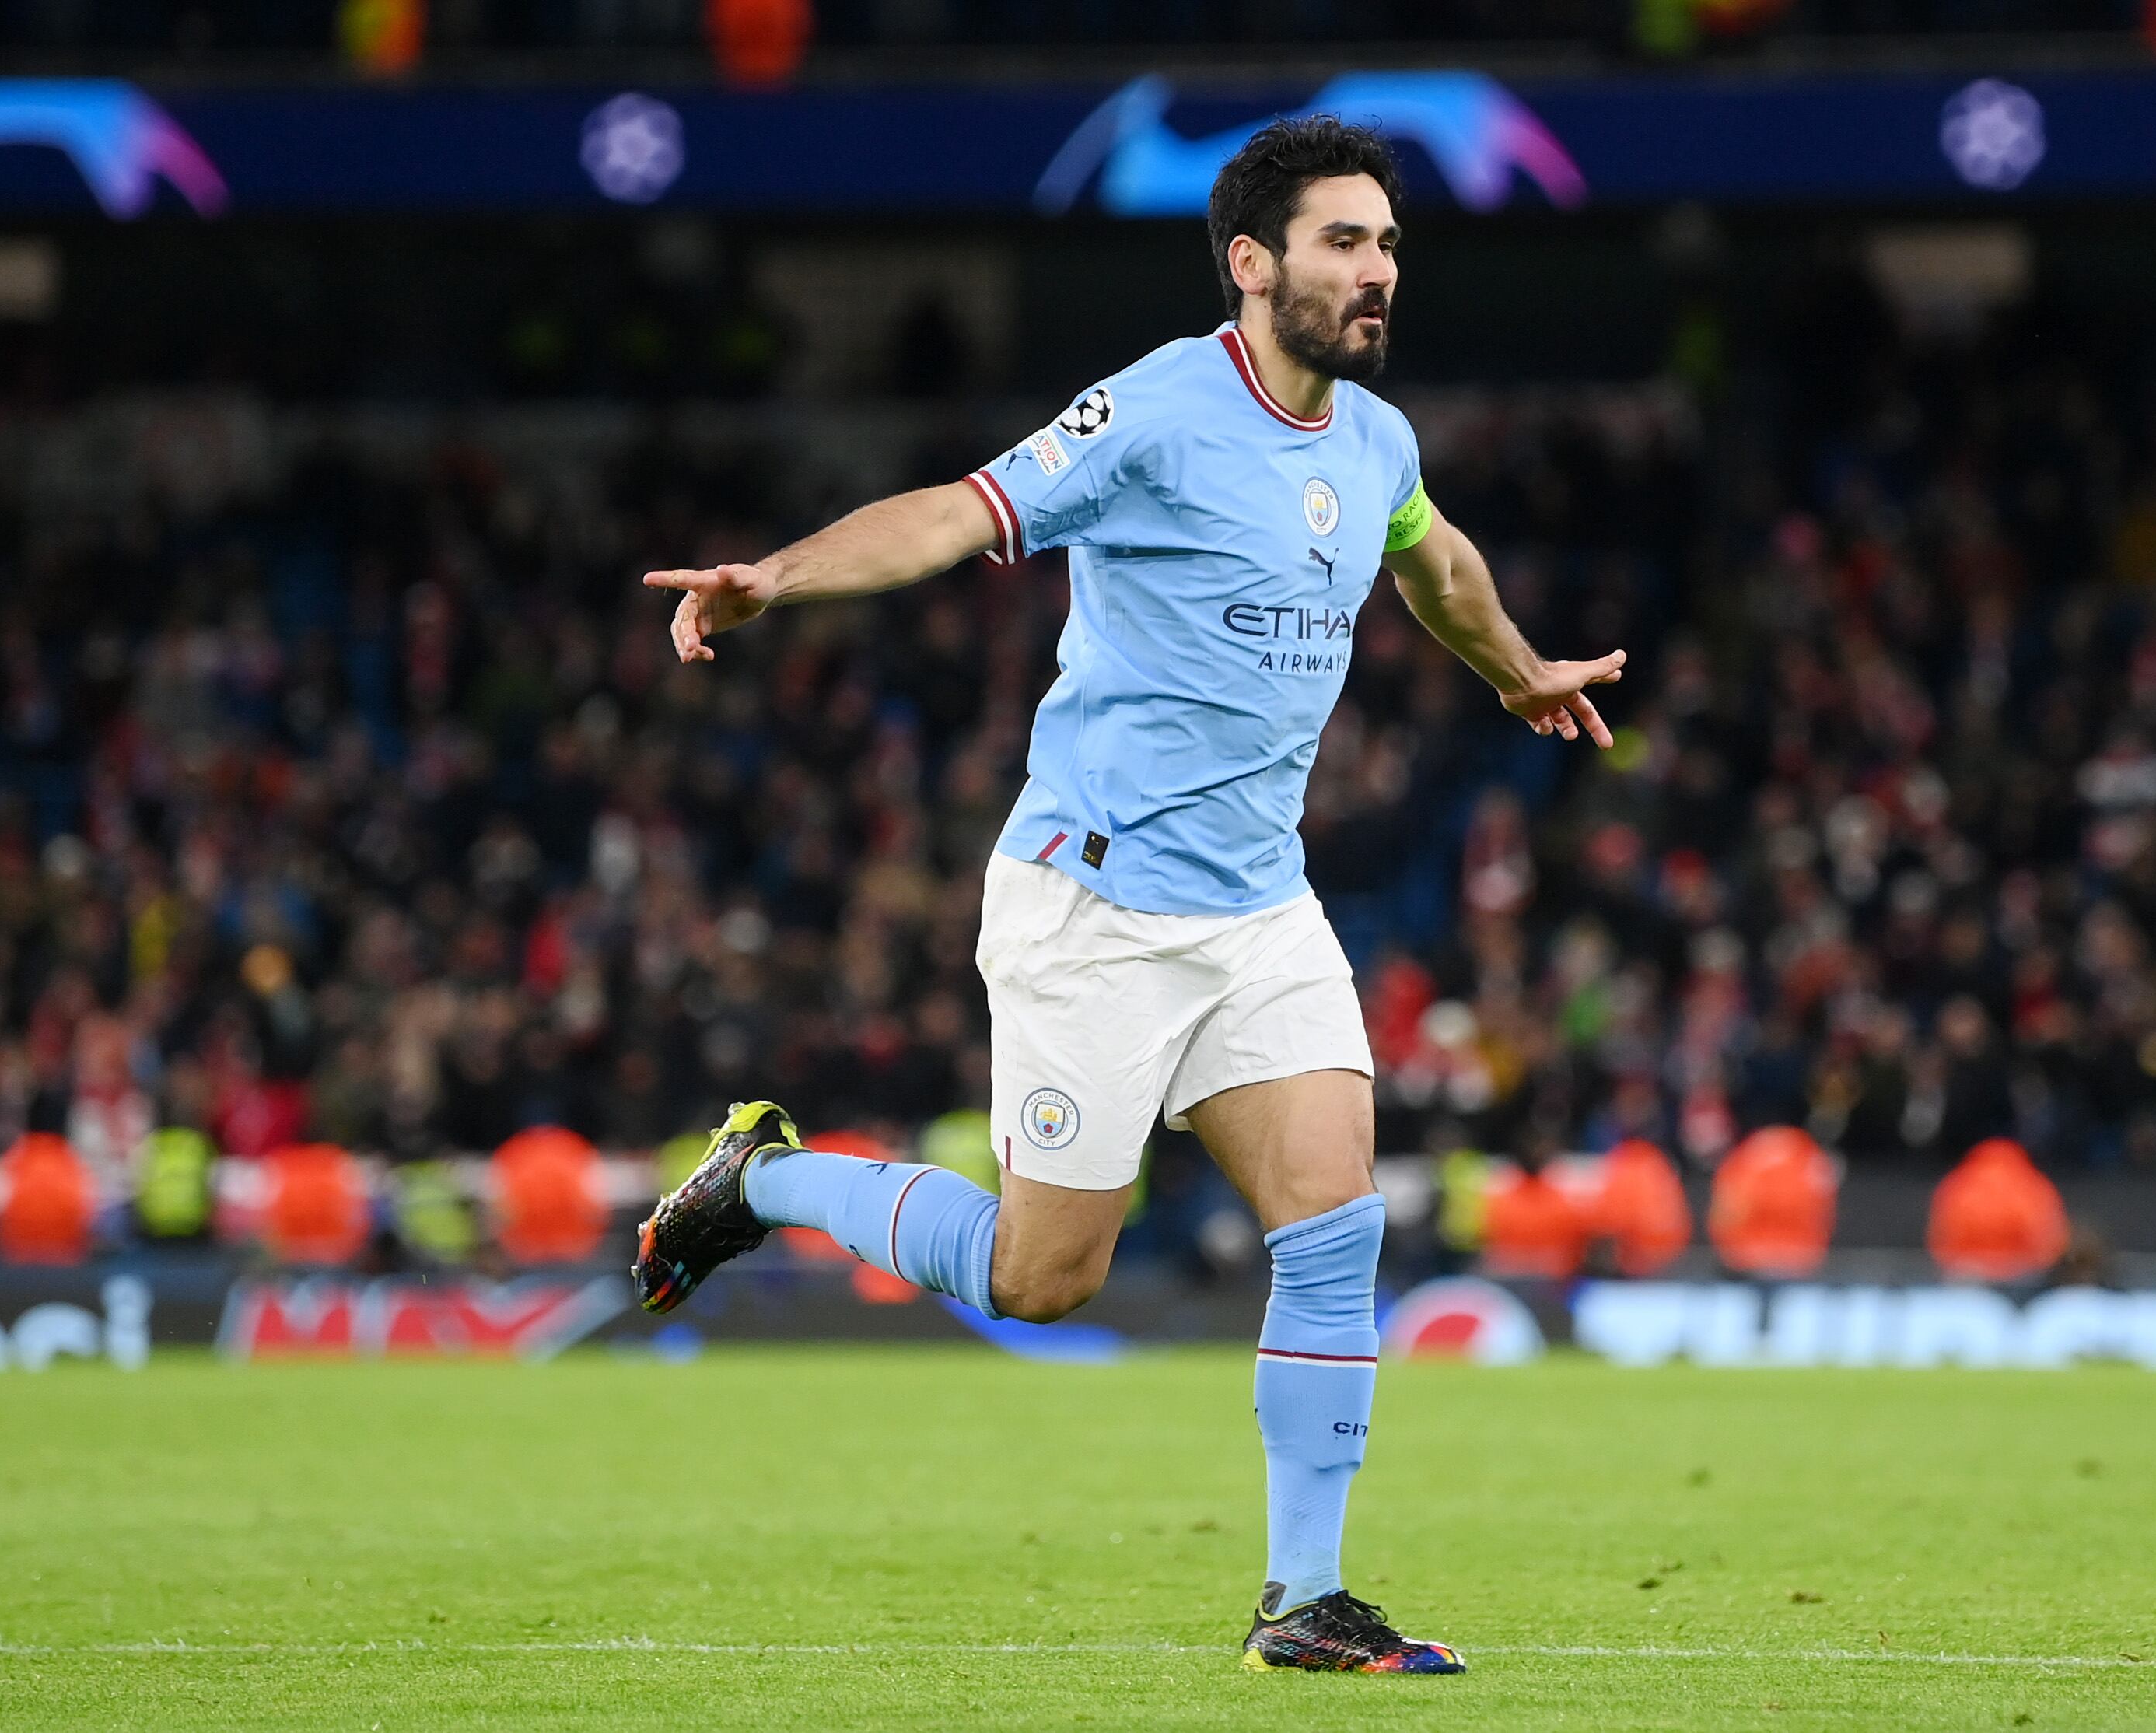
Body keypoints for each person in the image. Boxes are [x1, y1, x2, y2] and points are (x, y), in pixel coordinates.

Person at [631, 116, 1623, 1675]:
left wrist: (1516, 673)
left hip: (1256, 909)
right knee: (1043, 1277)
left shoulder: (1376, 444)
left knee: (1334, 1220)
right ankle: (759, 1179)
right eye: (1346, 245)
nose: (1378, 274)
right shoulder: (1154, 412)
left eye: (1389, 248)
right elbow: (957, 512)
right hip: (1092, 907)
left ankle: (1303, 1599)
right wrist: (776, 577)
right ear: (1253, 264)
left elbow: (1433, 560)